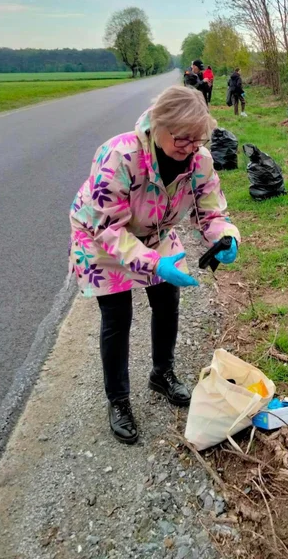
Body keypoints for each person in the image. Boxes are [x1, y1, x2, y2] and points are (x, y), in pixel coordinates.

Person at [69, 86, 240, 444]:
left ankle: (161, 374)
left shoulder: (200, 160)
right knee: (117, 316)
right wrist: (153, 264)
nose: (191, 147)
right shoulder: (119, 155)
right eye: (183, 139)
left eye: (198, 139)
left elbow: (210, 211)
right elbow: (108, 228)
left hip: (154, 230)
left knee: (167, 301)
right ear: (158, 125)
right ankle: (118, 400)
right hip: (101, 234)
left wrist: (226, 236)